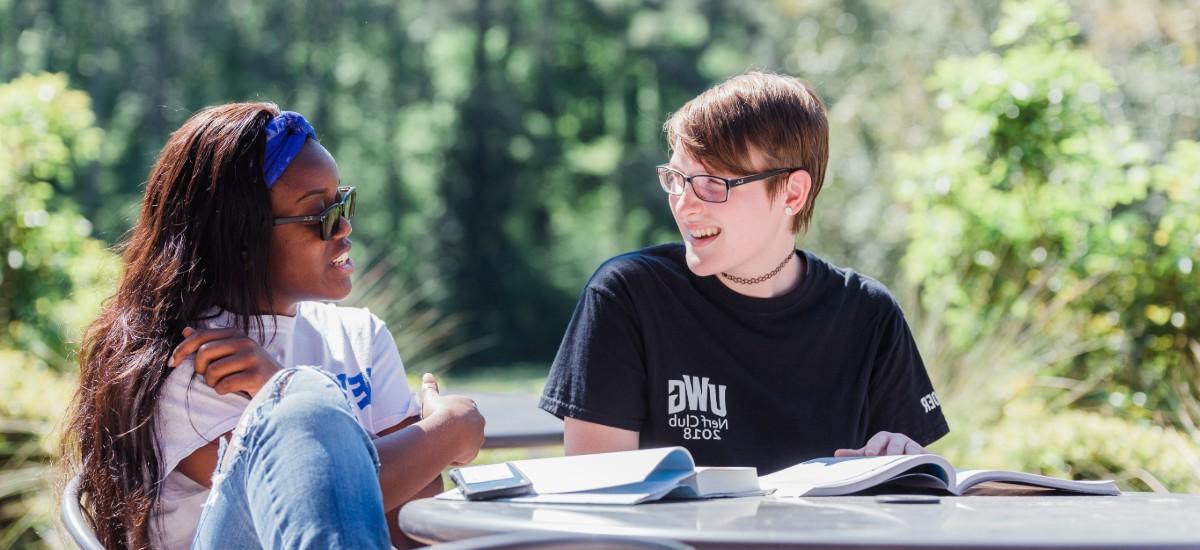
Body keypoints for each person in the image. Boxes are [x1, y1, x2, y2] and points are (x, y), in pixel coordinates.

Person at [60, 103, 485, 549]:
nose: (344, 226)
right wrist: (451, 429)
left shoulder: (361, 337)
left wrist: (278, 388)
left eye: (342, 201)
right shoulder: (190, 360)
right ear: (242, 238)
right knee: (303, 404)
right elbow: (311, 503)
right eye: (319, 214)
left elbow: (407, 527)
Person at [538, 72, 949, 475]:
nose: (684, 204)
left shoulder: (868, 315)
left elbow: (910, 501)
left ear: (792, 192)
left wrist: (905, 460)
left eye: (713, 184)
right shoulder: (627, 295)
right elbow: (596, 500)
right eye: (677, 179)